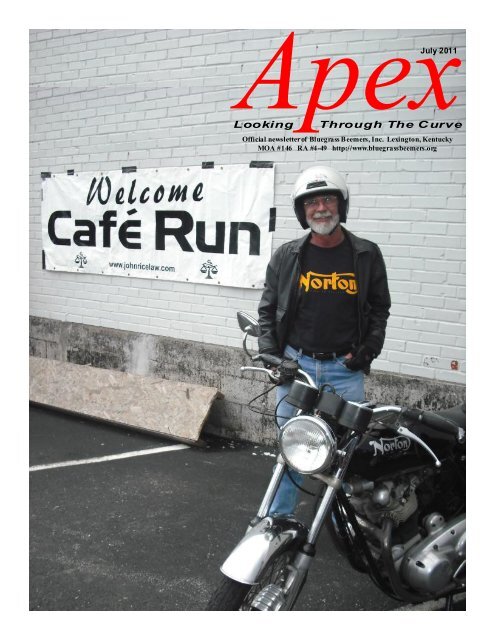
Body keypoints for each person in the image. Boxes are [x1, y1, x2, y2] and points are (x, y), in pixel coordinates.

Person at [257, 166, 391, 517]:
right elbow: (268, 309)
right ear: (301, 211)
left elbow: (380, 309)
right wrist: (270, 354)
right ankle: (277, 520)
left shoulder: (366, 254)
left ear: (341, 205)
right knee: (291, 448)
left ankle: (345, 523)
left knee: (347, 454)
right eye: (311, 202)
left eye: (328, 199)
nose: (320, 208)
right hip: (296, 368)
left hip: (345, 371)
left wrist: (368, 350)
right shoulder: (287, 256)